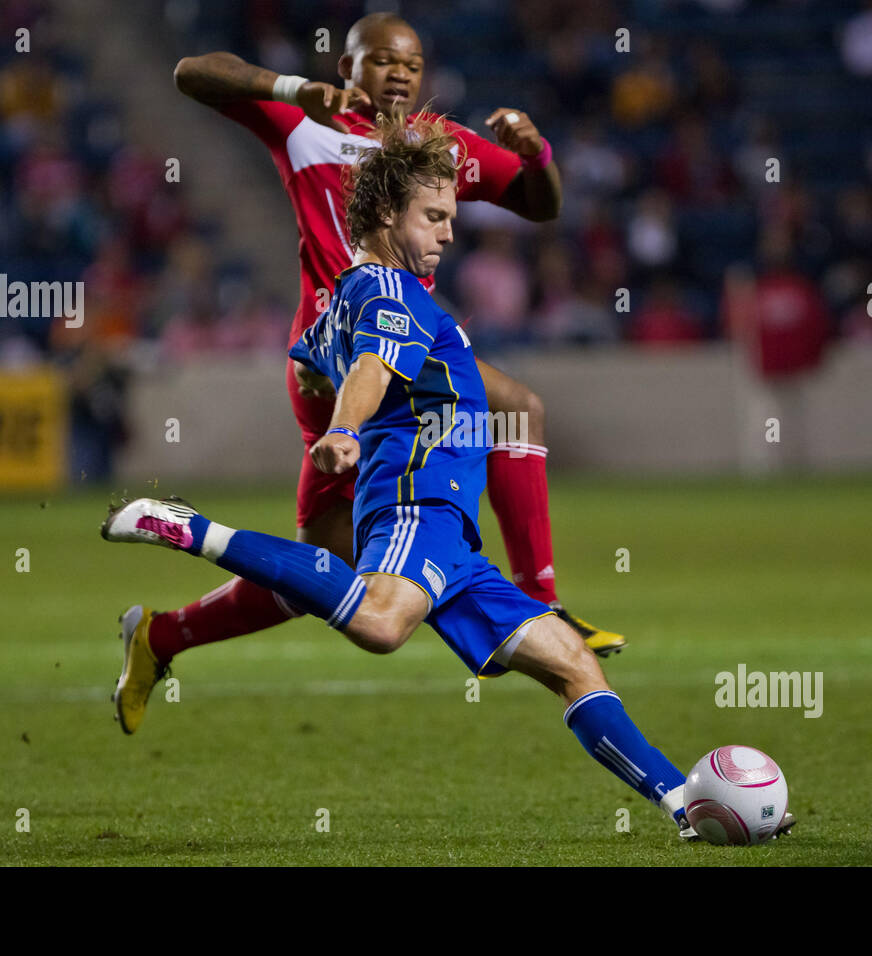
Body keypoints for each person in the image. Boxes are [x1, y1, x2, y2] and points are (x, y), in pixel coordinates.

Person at [102, 113, 739, 840]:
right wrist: (347, 428)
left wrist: (341, 417)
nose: (449, 233)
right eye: (434, 217)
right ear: (382, 215)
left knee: (571, 664)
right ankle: (187, 527)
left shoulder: (349, 291)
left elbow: (312, 363)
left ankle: (682, 803)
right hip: (416, 502)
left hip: (454, 539)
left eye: (451, 216)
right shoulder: (389, 292)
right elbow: (372, 366)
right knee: (379, 624)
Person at [110, 12, 625, 737]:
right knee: (509, 409)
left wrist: (536, 156)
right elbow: (191, 73)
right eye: (381, 59)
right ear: (348, 66)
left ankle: (161, 637)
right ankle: (538, 599)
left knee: (330, 562)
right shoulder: (306, 122)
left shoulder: (434, 147)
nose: (400, 72)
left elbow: (541, 206)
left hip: (407, 349)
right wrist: (291, 86)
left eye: (411, 62)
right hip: (333, 356)